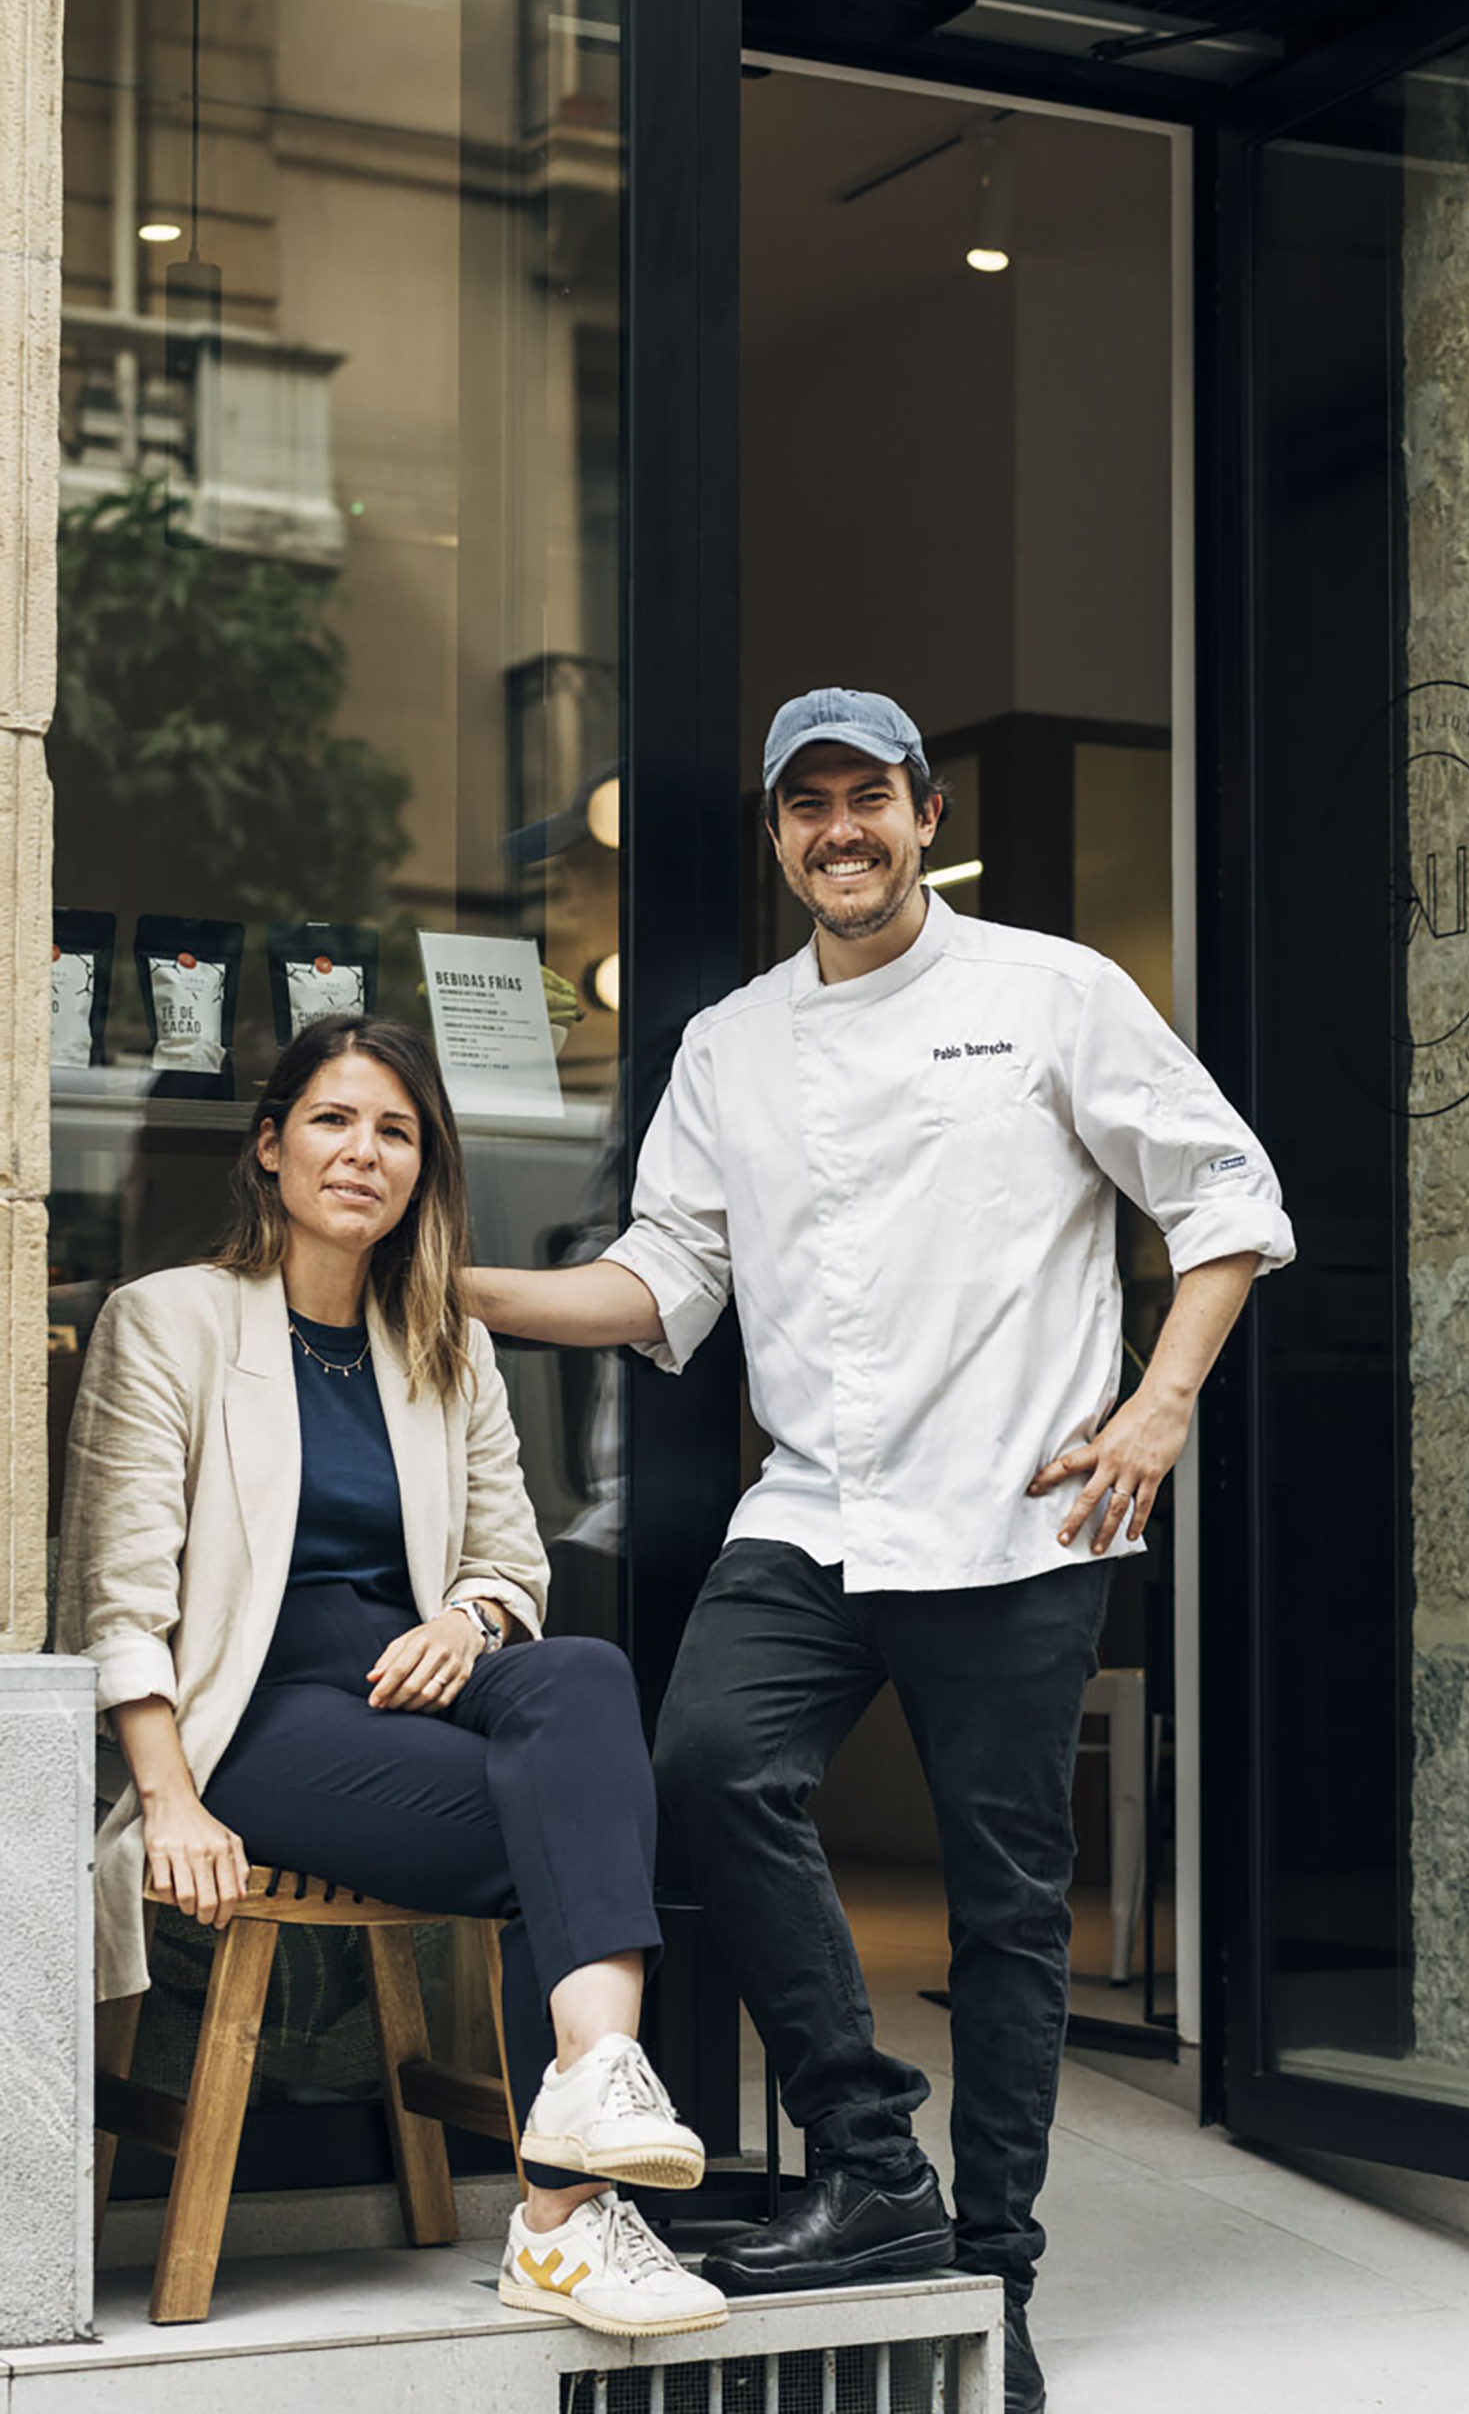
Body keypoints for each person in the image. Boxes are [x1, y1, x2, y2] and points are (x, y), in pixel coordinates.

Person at [467, 686, 1293, 2414]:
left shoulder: (1051, 992)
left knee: (1006, 1913)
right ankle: (870, 2162)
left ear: (923, 815)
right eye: (807, 806)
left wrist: (1157, 1411)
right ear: (778, 835)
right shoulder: (731, 1043)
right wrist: (446, 1286)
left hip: (1021, 1513)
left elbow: (1224, 1199)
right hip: (818, 1508)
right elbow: (661, 1287)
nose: (839, 831)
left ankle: (992, 2264)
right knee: (705, 1767)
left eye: (869, 799)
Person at [56, 1013, 723, 2341]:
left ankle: (593, 2084)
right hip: (244, 1711)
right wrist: (171, 1795)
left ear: (426, 1168)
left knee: (578, 1674)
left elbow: (508, 1558)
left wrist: (473, 1622)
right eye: (333, 1120)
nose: (363, 1152)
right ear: (269, 1145)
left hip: (397, 1679)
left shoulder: (446, 1340)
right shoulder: (168, 1320)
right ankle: (567, 2216)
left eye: (397, 1131)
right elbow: (116, 1593)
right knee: (578, 1817)